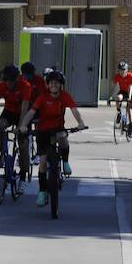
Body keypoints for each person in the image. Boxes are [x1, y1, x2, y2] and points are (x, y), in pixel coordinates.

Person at [19, 70, 88, 208]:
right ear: (48, 85)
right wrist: (23, 125)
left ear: (61, 85)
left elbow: (74, 110)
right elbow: (31, 112)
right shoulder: (42, 97)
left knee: (63, 136)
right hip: (43, 131)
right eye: (51, 83)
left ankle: (66, 162)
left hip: (58, 129)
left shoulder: (64, 96)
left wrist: (80, 123)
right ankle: (42, 192)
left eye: (56, 83)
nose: (54, 85)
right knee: (43, 162)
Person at [0, 64, 32, 156]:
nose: (9, 83)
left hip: (22, 113)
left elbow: (24, 109)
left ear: (17, 79)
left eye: (12, 81)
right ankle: (3, 154)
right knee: (0, 128)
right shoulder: (0, 87)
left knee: (22, 138)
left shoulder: (25, 86)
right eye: (6, 80)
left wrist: (20, 126)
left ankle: (23, 162)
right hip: (9, 111)